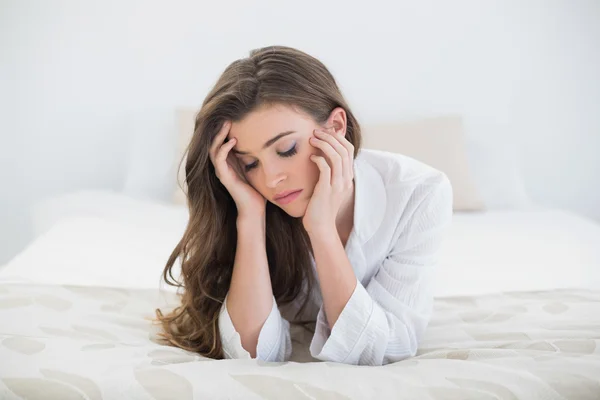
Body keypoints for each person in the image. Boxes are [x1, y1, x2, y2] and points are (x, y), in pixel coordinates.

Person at [153, 45, 453, 366]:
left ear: (336, 127)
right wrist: (250, 217)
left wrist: (321, 230)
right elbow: (251, 352)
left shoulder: (418, 193)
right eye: (250, 163)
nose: (271, 180)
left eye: (286, 149)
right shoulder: (249, 201)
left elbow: (383, 349)